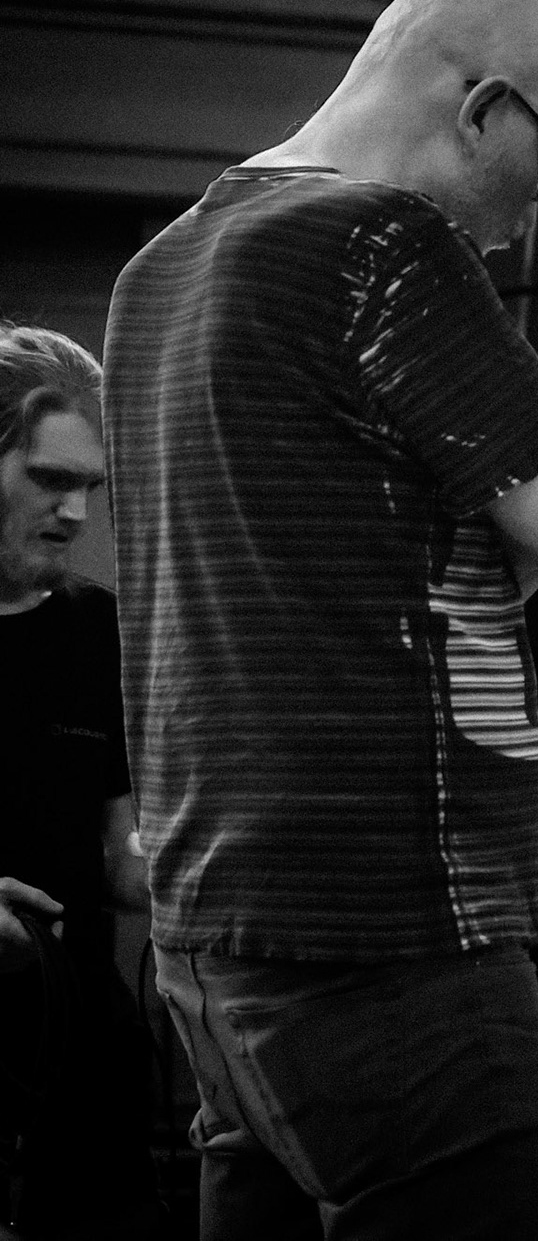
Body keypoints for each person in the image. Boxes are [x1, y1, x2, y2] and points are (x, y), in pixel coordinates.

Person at [100, 0, 538, 1237]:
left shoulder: (164, 270)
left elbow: (419, 573)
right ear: (481, 110)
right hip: (392, 929)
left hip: (215, 943)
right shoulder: (377, 241)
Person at [0, 322, 164, 1239]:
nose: (74, 513)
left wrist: (194, 865)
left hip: (79, 1066)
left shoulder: (100, 629)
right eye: (48, 480)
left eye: (88, 489)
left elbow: (119, 853)